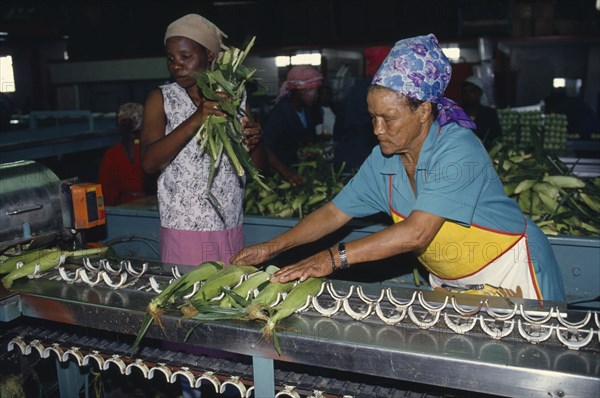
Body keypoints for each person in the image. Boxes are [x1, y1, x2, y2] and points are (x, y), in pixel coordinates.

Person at [232, 34, 566, 302]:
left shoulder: (458, 148)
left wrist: (330, 259)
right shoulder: (385, 159)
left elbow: (417, 233)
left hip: (512, 269)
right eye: (372, 117)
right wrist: (272, 247)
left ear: (422, 110)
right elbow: (334, 213)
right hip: (458, 283)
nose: (377, 130)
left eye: (388, 118)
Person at [140, 13, 261, 266]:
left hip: (229, 223)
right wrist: (197, 117)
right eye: (171, 58)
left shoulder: (235, 97)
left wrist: (254, 142)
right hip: (185, 226)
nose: (176, 65)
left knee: (226, 299)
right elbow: (149, 163)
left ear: (209, 55)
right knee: (190, 300)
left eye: (186, 57)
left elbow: (255, 168)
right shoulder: (162, 99)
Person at [261, 65, 323, 185]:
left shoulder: (307, 110)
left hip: (298, 169)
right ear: (300, 91)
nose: (316, 95)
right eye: (313, 91)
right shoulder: (281, 114)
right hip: (281, 175)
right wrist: (286, 172)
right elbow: (266, 147)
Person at [333, 46, 391, 170]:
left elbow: (340, 124)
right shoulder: (378, 90)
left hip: (351, 150)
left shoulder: (359, 87)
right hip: (361, 153)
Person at [98, 103, 157, 206]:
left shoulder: (112, 153)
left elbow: (105, 190)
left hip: (121, 209)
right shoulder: (153, 150)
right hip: (151, 206)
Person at [460, 75, 502, 148]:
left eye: (471, 91)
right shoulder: (457, 114)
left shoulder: (489, 114)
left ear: (480, 93)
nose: (467, 95)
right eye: (465, 92)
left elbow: (497, 137)